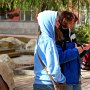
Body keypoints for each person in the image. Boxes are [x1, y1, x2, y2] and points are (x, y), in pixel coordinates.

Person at [56, 11, 90, 90]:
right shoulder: (58, 35)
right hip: (65, 79)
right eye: (72, 22)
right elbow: (61, 57)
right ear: (65, 21)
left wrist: (84, 49)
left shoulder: (72, 34)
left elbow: (77, 54)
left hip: (76, 77)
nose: (73, 24)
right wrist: (78, 49)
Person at [33, 10, 66, 90]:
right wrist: (62, 79)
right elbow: (53, 68)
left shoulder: (39, 39)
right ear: (48, 22)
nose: (58, 24)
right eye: (56, 21)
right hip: (48, 84)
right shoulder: (49, 41)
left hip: (38, 82)